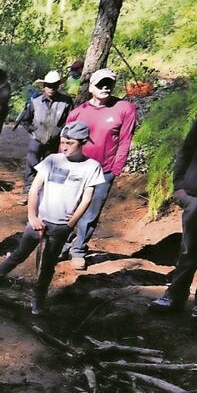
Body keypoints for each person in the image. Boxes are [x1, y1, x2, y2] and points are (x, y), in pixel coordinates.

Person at [0, 121, 105, 315]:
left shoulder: (91, 167)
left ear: (83, 142)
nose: (65, 146)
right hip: (39, 220)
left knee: (47, 265)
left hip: (61, 226)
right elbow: (35, 189)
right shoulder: (52, 160)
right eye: (63, 141)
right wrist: (32, 216)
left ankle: (38, 300)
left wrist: (71, 223)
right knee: (19, 254)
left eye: (70, 143)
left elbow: (87, 198)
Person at [61, 68, 138, 270]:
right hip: (76, 168)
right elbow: (65, 141)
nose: (105, 87)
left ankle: (78, 250)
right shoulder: (78, 112)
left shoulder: (124, 108)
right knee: (70, 207)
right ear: (91, 87)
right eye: (101, 84)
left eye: (109, 84)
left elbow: (125, 141)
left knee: (91, 212)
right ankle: (61, 245)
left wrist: (115, 169)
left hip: (103, 171)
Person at [149, 113, 197, 319]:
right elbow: (186, 149)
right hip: (196, 196)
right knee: (189, 250)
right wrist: (179, 184)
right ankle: (175, 296)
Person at [14, 70, 74, 204]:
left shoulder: (66, 101)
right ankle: (27, 193)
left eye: (54, 85)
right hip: (36, 138)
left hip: (54, 140)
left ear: (59, 85)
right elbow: (26, 119)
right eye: (48, 85)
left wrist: (62, 135)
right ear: (44, 86)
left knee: (51, 166)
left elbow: (69, 121)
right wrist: (33, 131)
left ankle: (45, 194)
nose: (51, 88)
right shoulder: (35, 101)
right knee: (31, 164)